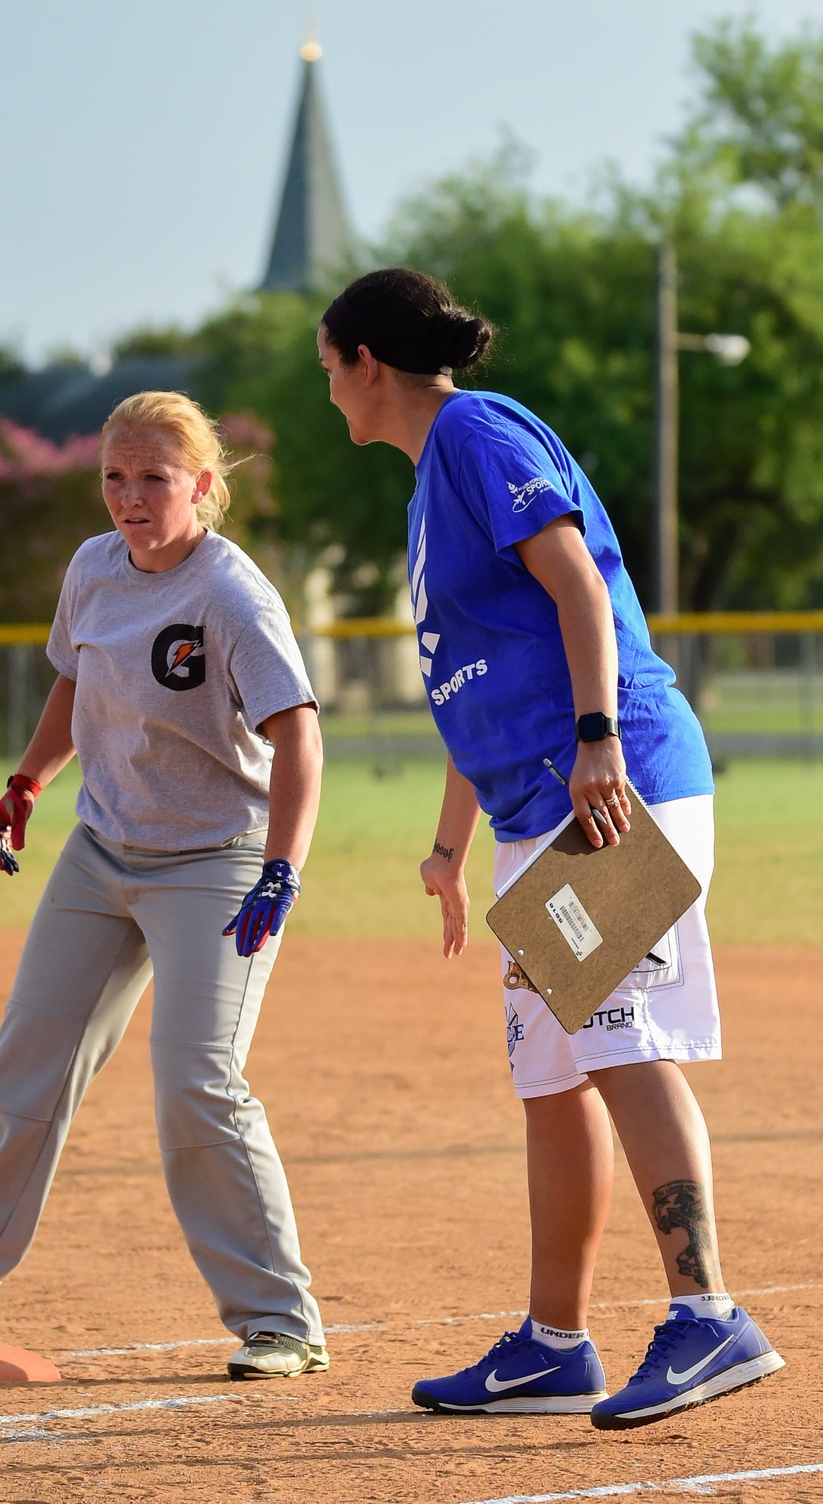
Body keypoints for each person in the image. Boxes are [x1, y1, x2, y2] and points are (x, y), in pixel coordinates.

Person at [317, 268, 783, 1429]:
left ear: (368, 360)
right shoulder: (431, 486)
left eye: (330, 367)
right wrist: (444, 845)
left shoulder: (476, 428)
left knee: (617, 1042)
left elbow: (577, 587)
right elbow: (472, 684)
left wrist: (594, 741)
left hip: (612, 790)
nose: (328, 391)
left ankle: (707, 1314)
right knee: (549, 1074)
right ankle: (551, 1344)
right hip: (537, 814)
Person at [0, 390, 328, 1382]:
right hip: (103, 851)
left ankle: (281, 1318)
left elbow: (299, 735)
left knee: (198, 1081)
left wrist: (282, 866)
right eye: (114, 475)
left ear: (202, 483)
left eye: (154, 476)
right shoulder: (94, 568)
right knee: (28, 1063)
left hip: (217, 865)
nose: (130, 496)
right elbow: (75, 682)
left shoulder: (232, 596)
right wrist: (27, 779)